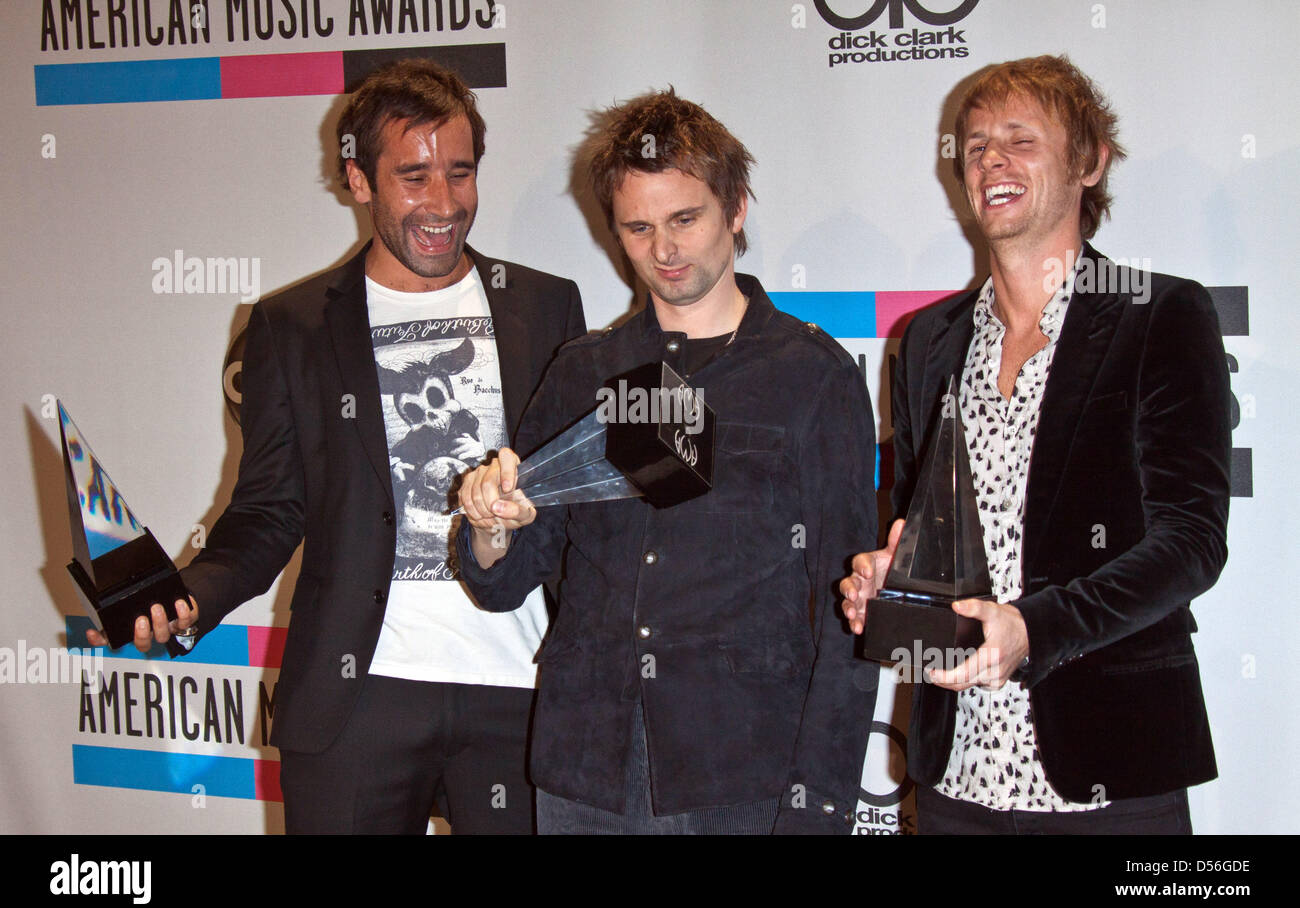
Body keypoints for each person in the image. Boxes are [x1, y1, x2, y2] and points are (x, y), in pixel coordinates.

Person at [87, 59, 586, 834]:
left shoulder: (546, 307)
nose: (444, 203)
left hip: (518, 694)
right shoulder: (293, 324)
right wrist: (187, 601)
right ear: (359, 180)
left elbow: (573, 499)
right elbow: (268, 511)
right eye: (413, 176)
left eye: (460, 173)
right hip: (357, 698)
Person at [455, 89, 878, 834]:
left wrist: (820, 806)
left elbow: (850, 615)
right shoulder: (581, 370)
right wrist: (490, 528)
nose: (665, 250)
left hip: (741, 772)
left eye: (686, 219)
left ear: (736, 207)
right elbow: (510, 580)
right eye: (639, 228)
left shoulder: (810, 375)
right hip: (584, 769)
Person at [841, 55, 1230, 833]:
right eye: (976, 144)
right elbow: (925, 525)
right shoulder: (928, 343)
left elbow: (1191, 542)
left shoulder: (1160, 316)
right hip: (957, 770)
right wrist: (892, 575)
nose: (991, 160)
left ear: (1089, 161)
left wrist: (1035, 630)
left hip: (1110, 772)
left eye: (1021, 139)